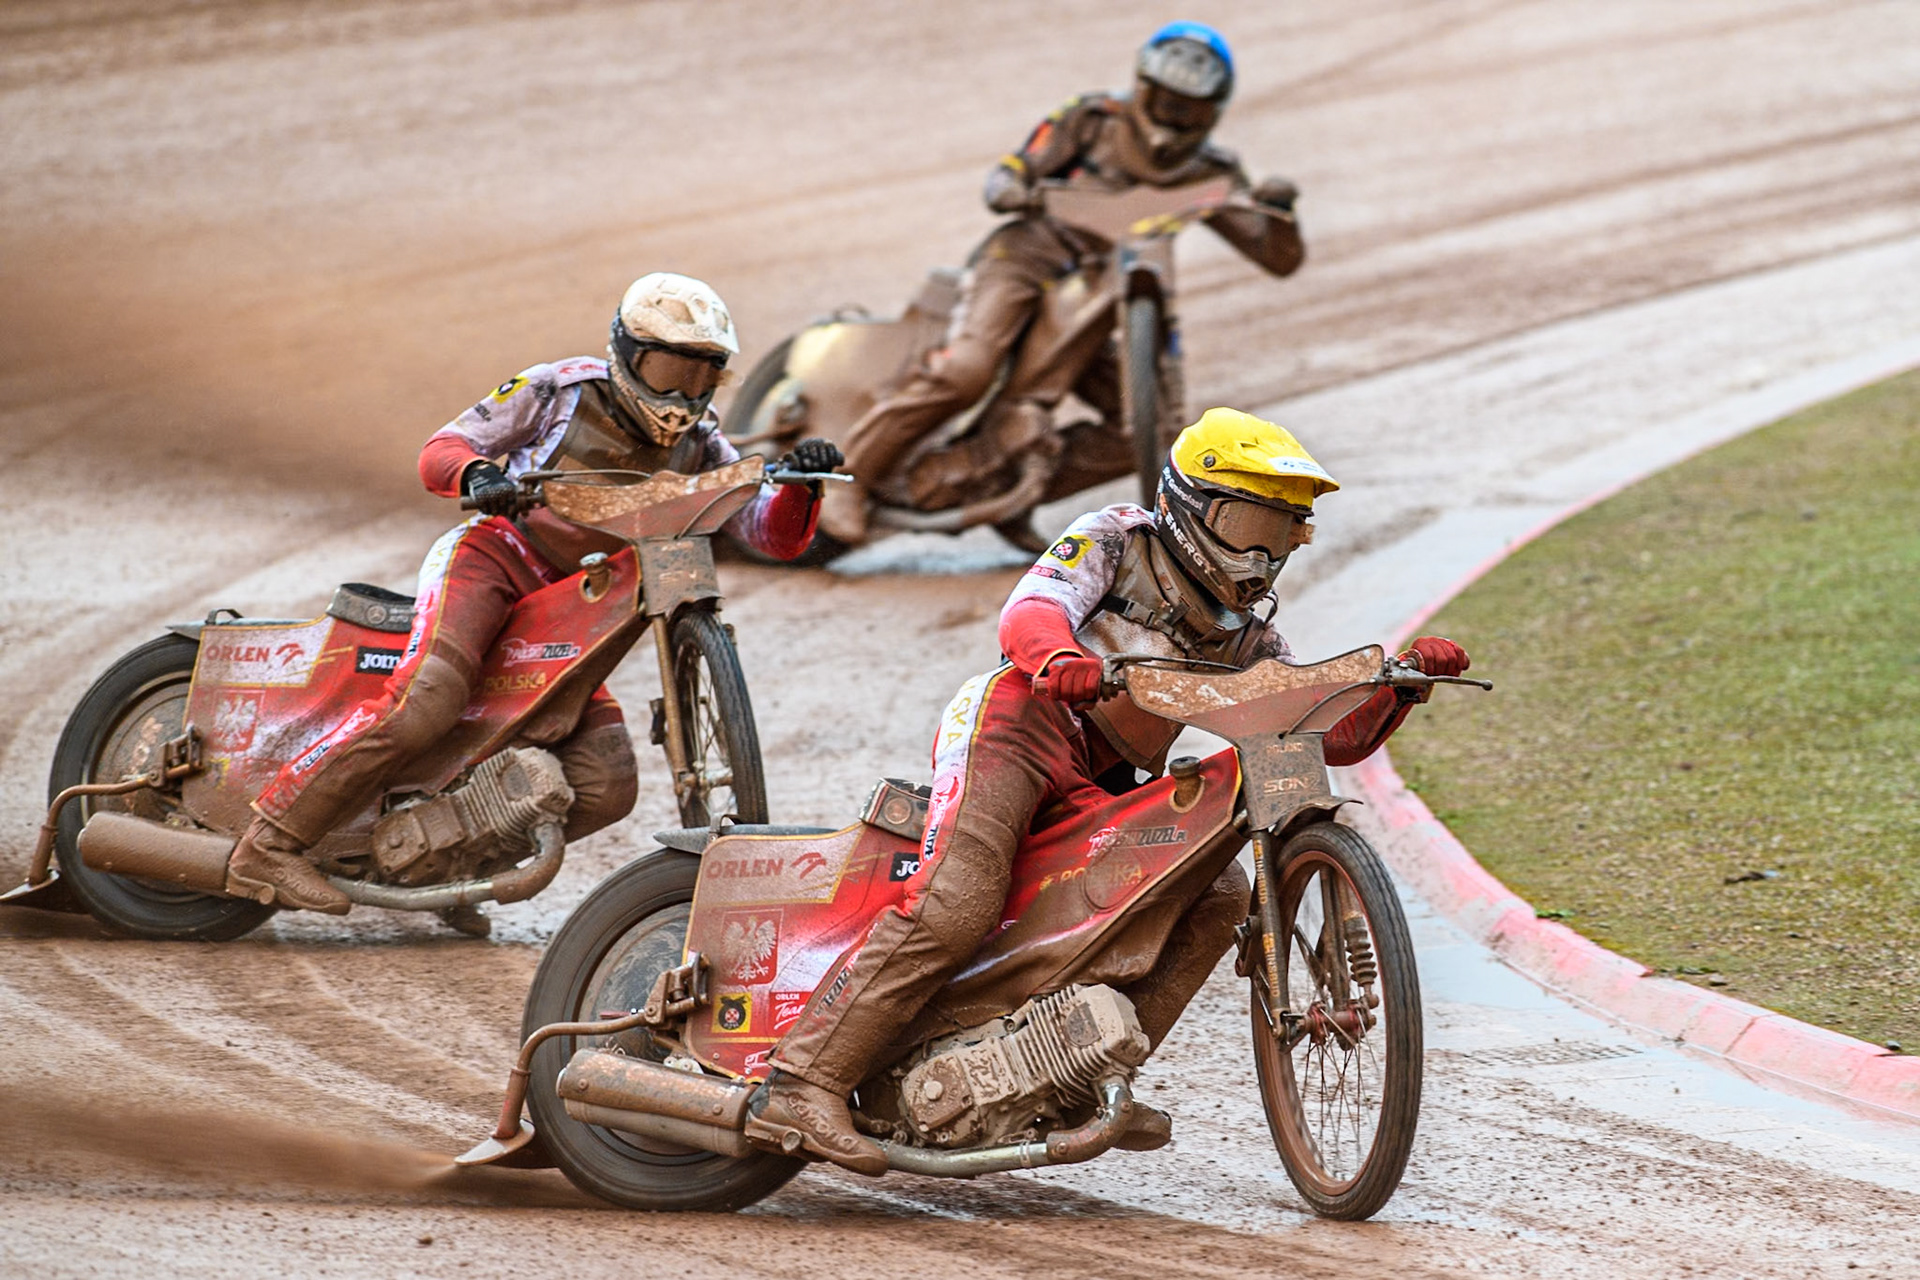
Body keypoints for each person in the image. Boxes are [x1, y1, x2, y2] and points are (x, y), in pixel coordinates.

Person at [751, 408, 1470, 1173]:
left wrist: (1401, 687)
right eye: (1248, 521)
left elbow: (1324, 732)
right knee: (957, 901)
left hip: (1112, 780)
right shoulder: (1117, 539)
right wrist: (1059, 655)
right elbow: (1028, 610)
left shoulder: (1249, 632)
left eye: (1282, 529)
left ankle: (1075, 1081)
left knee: (1219, 892)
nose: (1263, 551)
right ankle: (802, 1081)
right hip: (1018, 727)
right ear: (1191, 506)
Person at [222, 273, 844, 932]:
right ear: (626, 354)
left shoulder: (702, 444)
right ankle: (269, 843)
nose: (677, 394)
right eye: (665, 370)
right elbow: (442, 451)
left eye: (697, 378)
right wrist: (479, 474)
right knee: (426, 702)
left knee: (607, 783)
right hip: (492, 563)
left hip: (573, 609)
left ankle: (448, 872)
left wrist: (802, 485)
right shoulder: (560, 390)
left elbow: (764, 533)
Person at [819, 21, 1307, 544]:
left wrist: (1279, 216)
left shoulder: (1212, 169)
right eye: (1165, 100)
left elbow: (1276, 258)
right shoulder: (1092, 118)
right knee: (968, 368)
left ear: (1211, 111)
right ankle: (848, 477)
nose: (1173, 116)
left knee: (1143, 431)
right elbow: (1017, 166)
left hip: (1103, 291)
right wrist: (1012, 185)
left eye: (1187, 106)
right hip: (1028, 256)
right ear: (1143, 88)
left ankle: (1009, 494)